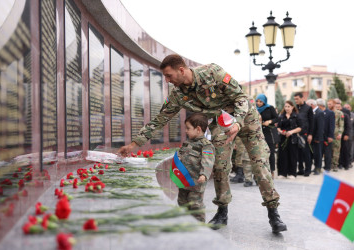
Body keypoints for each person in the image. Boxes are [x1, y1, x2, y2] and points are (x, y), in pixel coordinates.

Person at [118, 54, 286, 233]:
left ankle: (273, 212)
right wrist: (134, 145)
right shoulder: (178, 94)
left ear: (181, 70)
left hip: (246, 119)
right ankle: (222, 211)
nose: (167, 81)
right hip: (221, 123)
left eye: (169, 75)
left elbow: (240, 98)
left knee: (260, 164)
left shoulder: (213, 73)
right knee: (220, 166)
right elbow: (160, 119)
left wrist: (237, 122)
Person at [176, 113, 215, 222]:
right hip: (184, 180)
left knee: (195, 205)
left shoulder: (205, 145)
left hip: (196, 182)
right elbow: (181, 155)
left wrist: (204, 174)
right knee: (182, 203)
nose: (186, 131)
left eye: (188, 128)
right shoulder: (187, 143)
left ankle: (200, 228)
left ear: (198, 129)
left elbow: (208, 160)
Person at [256, 94, 279, 179]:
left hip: (269, 133)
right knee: (261, 153)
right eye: (257, 101)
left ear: (264, 101)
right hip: (259, 133)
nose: (258, 103)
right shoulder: (255, 109)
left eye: (260, 101)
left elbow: (277, 118)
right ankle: (263, 171)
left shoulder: (270, 108)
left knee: (271, 152)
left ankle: (272, 171)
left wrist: (269, 121)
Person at [276, 101, 302, 178]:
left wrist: (291, 132)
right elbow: (278, 127)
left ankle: (292, 173)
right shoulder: (281, 116)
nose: (287, 108)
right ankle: (282, 173)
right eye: (285, 106)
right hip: (283, 138)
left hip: (293, 139)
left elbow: (300, 128)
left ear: (292, 107)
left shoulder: (296, 116)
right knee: (282, 156)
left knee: (292, 156)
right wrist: (281, 132)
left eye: (288, 106)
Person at [294, 92, 314, 176]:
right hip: (296, 134)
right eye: (295, 99)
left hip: (305, 134)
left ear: (302, 98)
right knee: (299, 154)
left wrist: (310, 134)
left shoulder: (308, 108)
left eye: (297, 99)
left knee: (306, 153)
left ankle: (308, 170)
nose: (296, 100)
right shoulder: (295, 108)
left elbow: (312, 122)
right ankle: (301, 169)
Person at [306, 99, 324, 175]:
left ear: (311, 105)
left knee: (318, 154)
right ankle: (315, 167)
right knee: (313, 154)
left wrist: (317, 138)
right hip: (311, 137)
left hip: (317, 138)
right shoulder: (312, 112)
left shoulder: (319, 112)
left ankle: (318, 168)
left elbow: (320, 127)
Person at [316, 98, 335, 172]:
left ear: (320, 105)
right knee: (319, 153)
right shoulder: (318, 112)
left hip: (327, 136)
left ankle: (327, 167)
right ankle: (319, 167)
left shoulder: (330, 113)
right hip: (320, 136)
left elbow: (332, 125)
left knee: (327, 153)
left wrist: (330, 136)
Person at [328, 99, 344, 172]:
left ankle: (335, 165)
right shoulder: (327, 112)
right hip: (328, 134)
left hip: (336, 134)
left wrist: (340, 133)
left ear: (334, 104)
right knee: (328, 150)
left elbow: (341, 125)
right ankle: (329, 164)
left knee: (336, 150)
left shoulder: (339, 113)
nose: (328, 105)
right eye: (328, 104)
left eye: (330, 104)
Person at [336, 99, 352, 170]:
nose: (337, 108)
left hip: (344, 135)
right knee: (338, 150)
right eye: (336, 107)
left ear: (341, 107)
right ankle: (340, 164)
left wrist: (347, 135)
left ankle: (346, 164)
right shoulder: (334, 114)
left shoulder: (345, 115)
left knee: (345, 149)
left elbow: (348, 126)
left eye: (338, 107)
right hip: (336, 135)